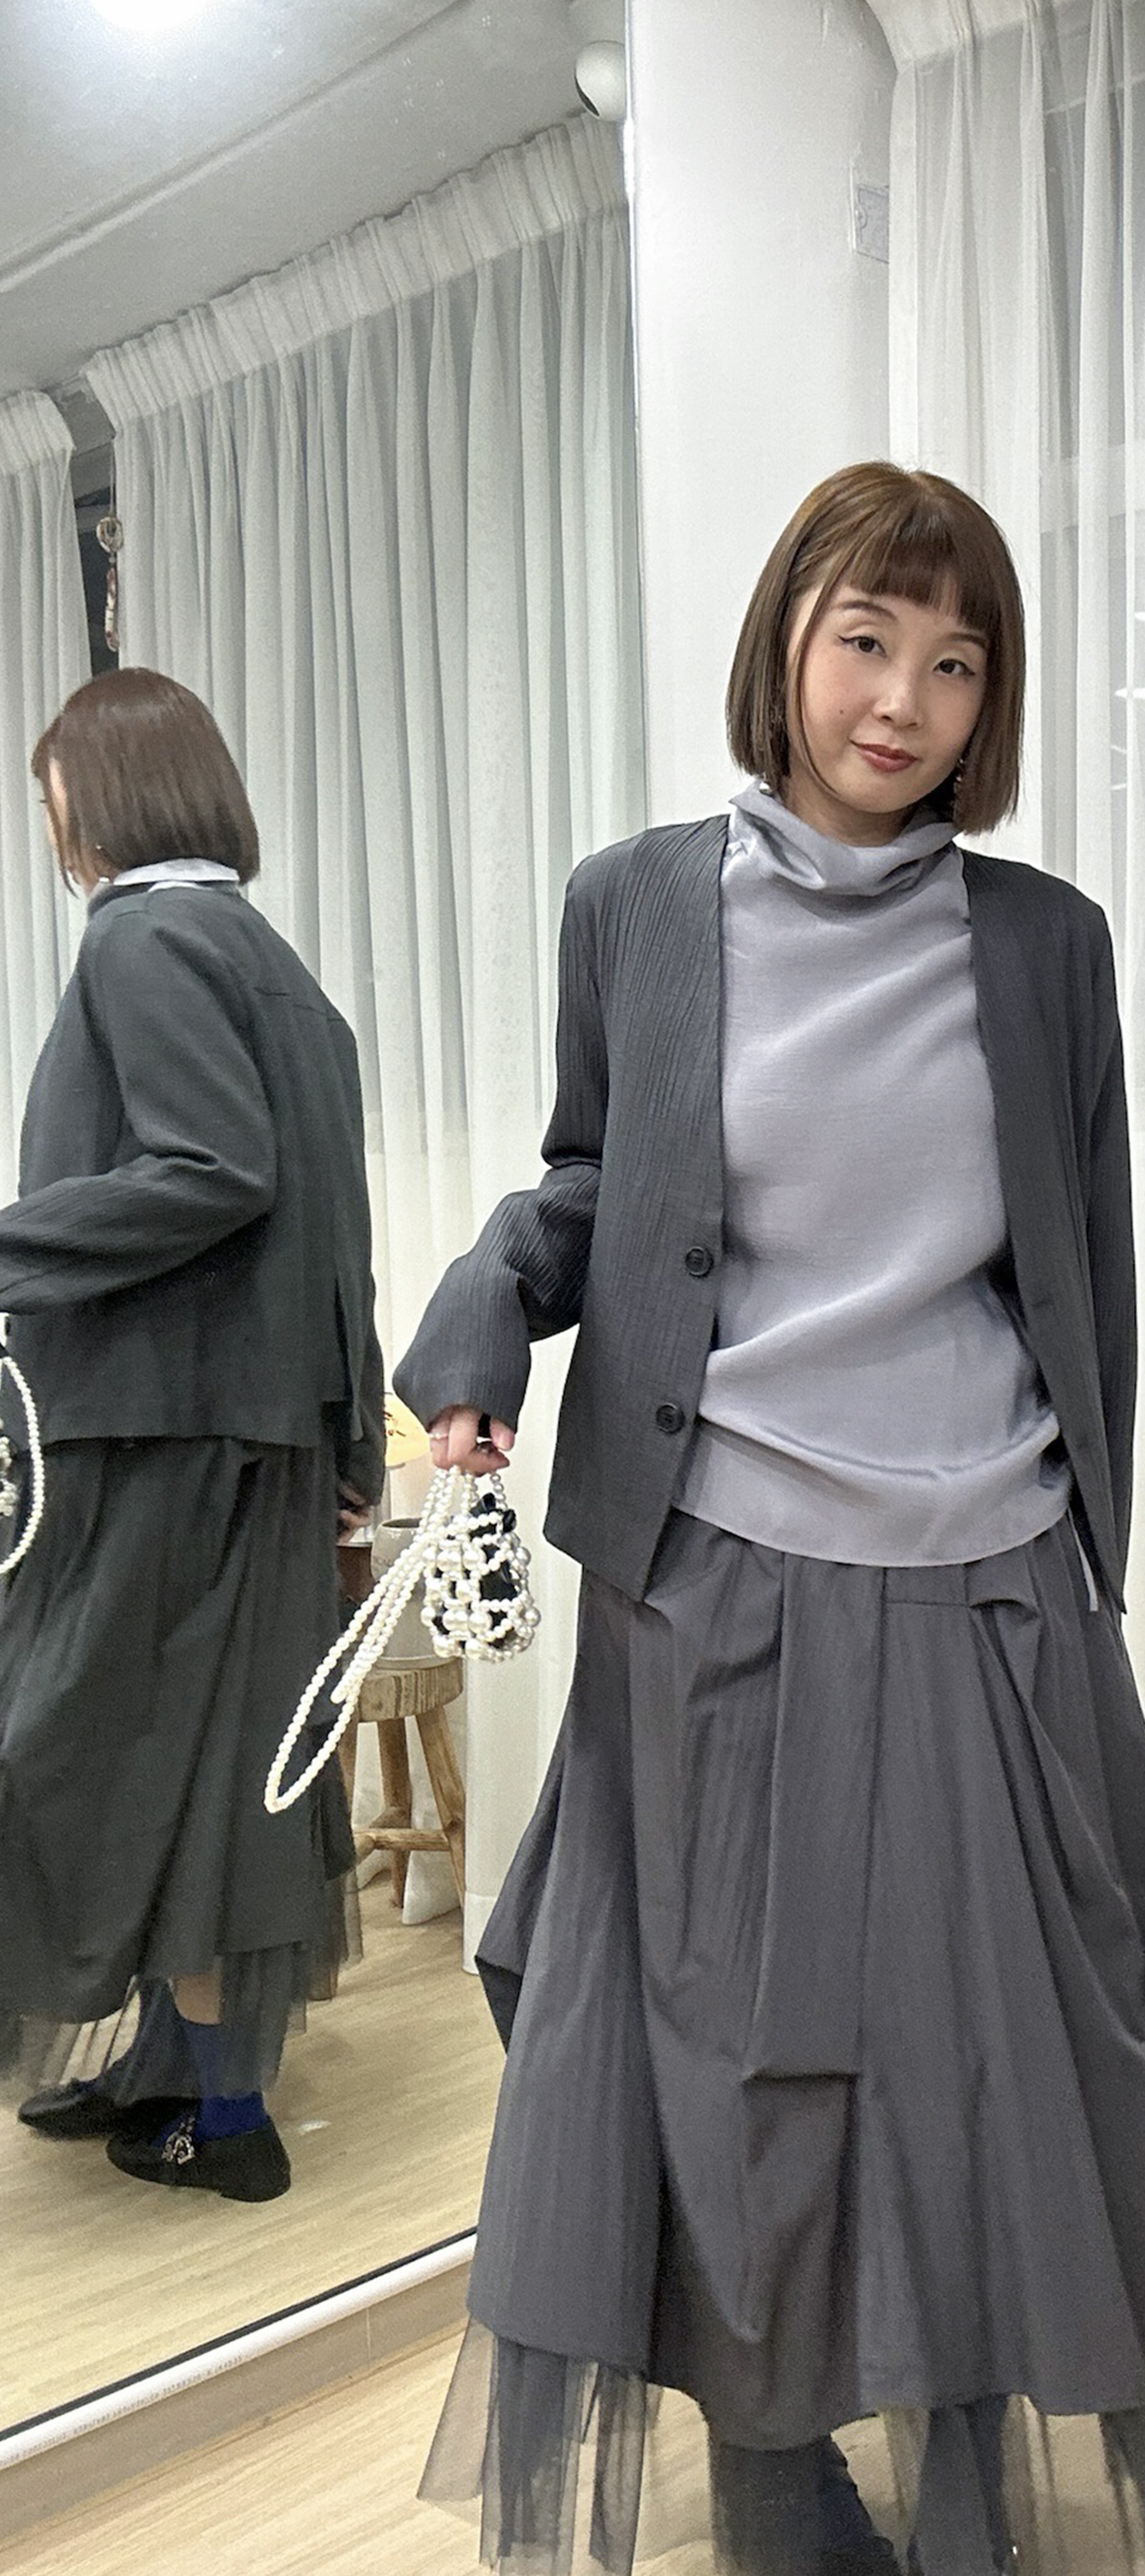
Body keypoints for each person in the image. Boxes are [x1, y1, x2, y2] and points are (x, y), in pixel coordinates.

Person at [397, 462, 1145, 2573]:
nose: (903, 701)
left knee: (1011, 2049)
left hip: (991, 1571)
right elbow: (596, 1187)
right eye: (867, 640)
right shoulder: (638, 905)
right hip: (722, 1568)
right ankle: (774, 2452)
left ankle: (967, 2451)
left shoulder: (1046, 946)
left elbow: (1085, 1267)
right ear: (787, 639)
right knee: (738, 2055)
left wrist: (1090, 1556)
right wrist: (484, 1311)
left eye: (955, 663)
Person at [0, 667, 384, 2204]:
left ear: (101, 796)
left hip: (163, 1437)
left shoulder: (143, 938)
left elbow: (211, 1169)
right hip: (258, 1445)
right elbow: (337, 1243)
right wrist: (350, 1455)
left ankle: (224, 2120)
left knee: (86, 1759)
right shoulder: (278, 969)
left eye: (51, 798)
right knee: (214, 1778)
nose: (50, 830)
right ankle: (182, 2080)